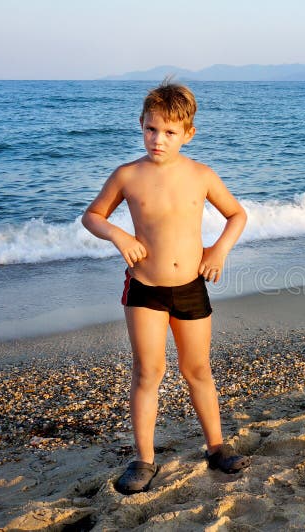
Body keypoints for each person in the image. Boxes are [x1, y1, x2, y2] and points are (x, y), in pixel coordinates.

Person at [82, 79, 250, 495]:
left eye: (170, 132)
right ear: (141, 125)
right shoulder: (128, 175)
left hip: (191, 286)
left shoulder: (201, 175)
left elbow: (237, 215)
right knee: (148, 373)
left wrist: (217, 252)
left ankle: (216, 447)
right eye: (151, 129)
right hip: (146, 289)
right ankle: (143, 460)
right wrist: (120, 236)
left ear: (188, 134)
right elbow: (93, 216)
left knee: (197, 371)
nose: (159, 140)